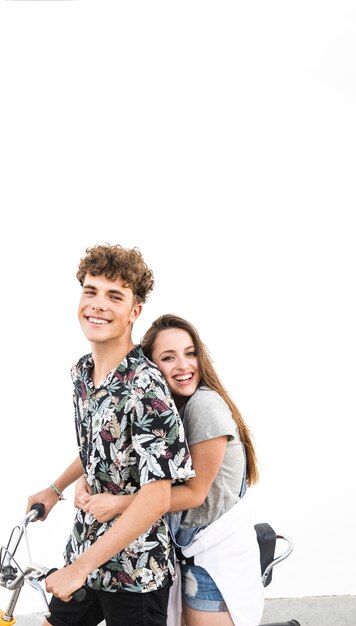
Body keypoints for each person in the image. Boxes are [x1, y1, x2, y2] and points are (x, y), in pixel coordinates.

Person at [27, 246, 194, 626]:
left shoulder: (145, 385)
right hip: (88, 548)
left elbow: (157, 497)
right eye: (91, 291)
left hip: (135, 569)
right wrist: (55, 489)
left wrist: (78, 569)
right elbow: (98, 446)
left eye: (114, 296)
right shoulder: (83, 373)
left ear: (135, 312)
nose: (98, 305)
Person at [74, 314, 264, 626]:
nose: (184, 366)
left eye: (190, 354)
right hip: (186, 546)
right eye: (168, 357)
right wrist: (81, 477)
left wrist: (117, 504)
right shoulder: (164, 406)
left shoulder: (204, 407)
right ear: (149, 365)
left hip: (214, 553)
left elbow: (194, 493)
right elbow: (115, 447)